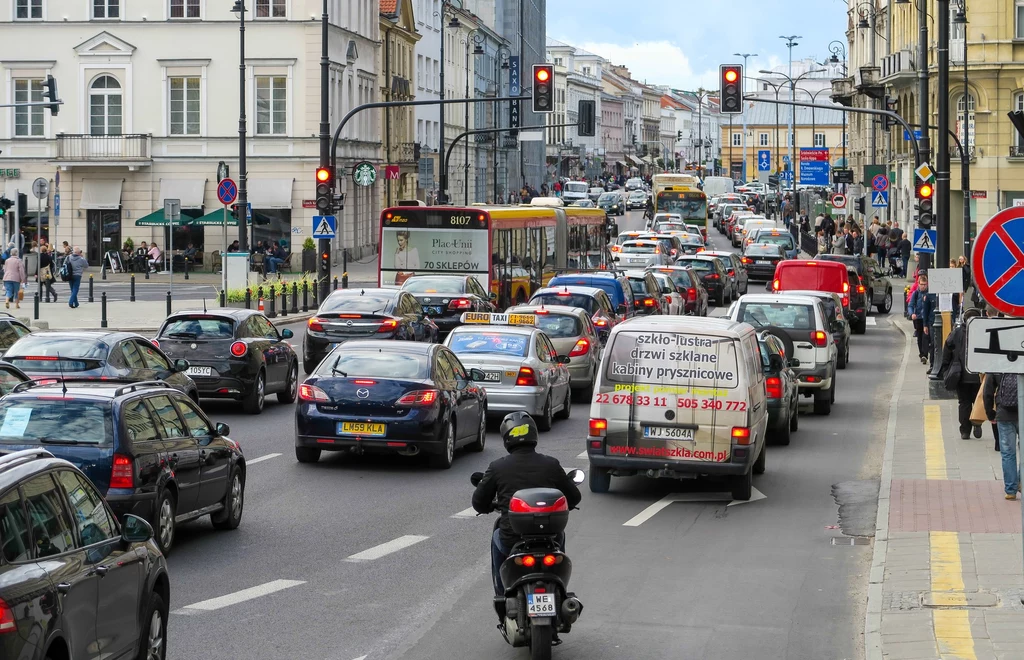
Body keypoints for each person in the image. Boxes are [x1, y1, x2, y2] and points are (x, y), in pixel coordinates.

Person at [472, 412, 582, 604]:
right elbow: (574, 497)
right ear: (534, 434)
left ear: (506, 437)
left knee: (498, 534)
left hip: (511, 539)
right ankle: (560, 586)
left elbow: (479, 502)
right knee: (561, 534)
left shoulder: (497, 467)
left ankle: (501, 592)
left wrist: (490, 506)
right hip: (550, 539)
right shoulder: (551, 464)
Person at [940, 308, 983, 439]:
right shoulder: (983, 332)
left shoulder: (957, 332)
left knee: (964, 402)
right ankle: (977, 423)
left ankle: (965, 431)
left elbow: (947, 347)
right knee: (977, 400)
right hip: (978, 375)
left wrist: (946, 367)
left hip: (961, 375)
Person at [983, 373, 1020, 500]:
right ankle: (1020, 481)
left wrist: (990, 413)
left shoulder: (998, 360)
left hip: (1004, 414)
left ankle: (1011, 490)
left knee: (1008, 453)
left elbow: (987, 390)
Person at [908, 273, 937, 365]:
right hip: (918, 318)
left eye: (925, 284)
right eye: (921, 284)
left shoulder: (929, 294)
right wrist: (912, 313)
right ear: (918, 284)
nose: (923, 286)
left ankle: (925, 354)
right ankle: (922, 353)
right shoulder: (916, 294)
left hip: (927, 317)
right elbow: (911, 305)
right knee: (919, 336)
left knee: (926, 336)